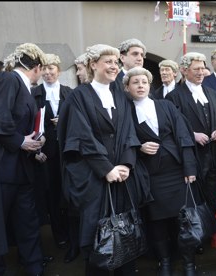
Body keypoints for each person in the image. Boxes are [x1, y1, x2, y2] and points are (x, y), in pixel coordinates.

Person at [57, 44, 150, 276]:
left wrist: (127, 164)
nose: (113, 66)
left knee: (125, 234)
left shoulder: (120, 94)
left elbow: (129, 131)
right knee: (98, 238)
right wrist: (105, 168)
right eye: (108, 61)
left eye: (116, 61)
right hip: (94, 178)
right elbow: (81, 136)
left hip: (122, 176)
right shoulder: (79, 96)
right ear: (93, 64)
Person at [0, 43, 47, 276]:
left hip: (19, 170)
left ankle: (34, 268)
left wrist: (35, 140)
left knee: (28, 224)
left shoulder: (22, 87)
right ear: (37, 67)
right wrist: (21, 142)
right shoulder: (7, 80)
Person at [124, 67, 198, 276]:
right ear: (127, 87)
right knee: (157, 222)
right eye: (135, 82)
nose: (140, 85)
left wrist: (189, 167)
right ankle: (164, 261)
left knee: (183, 220)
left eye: (144, 82)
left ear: (150, 85)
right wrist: (139, 147)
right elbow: (123, 140)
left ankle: (189, 263)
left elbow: (183, 135)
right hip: (150, 176)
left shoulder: (165, 106)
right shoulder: (126, 112)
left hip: (176, 172)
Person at [166, 52, 216, 214]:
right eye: (196, 69)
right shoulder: (174, 97)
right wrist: (192, 135)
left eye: (203, 68)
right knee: (197, 201)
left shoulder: (212, 93)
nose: (201, 72)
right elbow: (171, 126)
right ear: (184, 70)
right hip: (193, 157)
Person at [31, 53, 78, 263]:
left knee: (69, 193)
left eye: (52, 69)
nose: (48, 73)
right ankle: (59, 235)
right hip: (45, 153)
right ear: (40, 71)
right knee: (51, 194)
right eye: (45, 69)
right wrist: (35, 150)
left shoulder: (69, 92)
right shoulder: (34, 93)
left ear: (59, 71)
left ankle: (72, 235)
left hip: (68, 151)